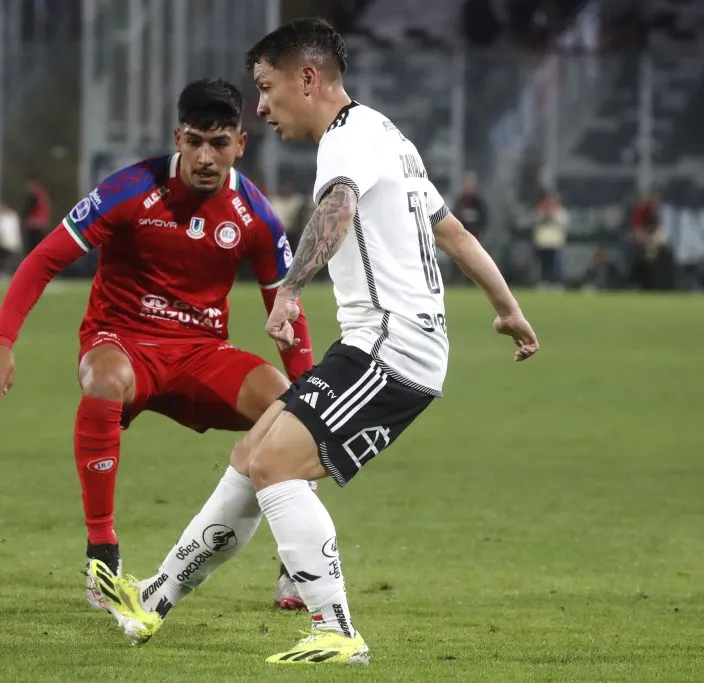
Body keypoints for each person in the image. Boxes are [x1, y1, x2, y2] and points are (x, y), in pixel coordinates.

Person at [89, 18, 540, 665]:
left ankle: (337, 627)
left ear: (308, 77)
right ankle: (154, 599)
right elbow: (452, 232)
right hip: (383, 344)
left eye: (267, 89)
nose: (262, 108)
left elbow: (338, 207)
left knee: (278, 465)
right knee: (252, 452)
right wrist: (508, 308)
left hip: (394, 347)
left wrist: (293, 289)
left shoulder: (346, 141)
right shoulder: (388, 136)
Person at [0, 78, 317, 612]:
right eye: (195, 141)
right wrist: (0, 340)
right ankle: (102, 556)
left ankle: (298, 565)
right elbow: (44, 259)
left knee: (294, 411)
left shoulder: (256, 215)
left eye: (219, 143)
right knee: (105, 382)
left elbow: (288, 308)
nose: (205, 156)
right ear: (178, 136)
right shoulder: (129, 190)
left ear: (240, 144)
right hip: (122, 342)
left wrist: (311, 385)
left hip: (201, 353)